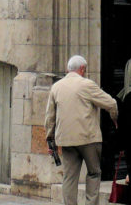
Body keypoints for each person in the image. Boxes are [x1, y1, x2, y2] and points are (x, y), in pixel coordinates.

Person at [44, 54, 118, 205]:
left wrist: (49, 139)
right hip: (88, 138)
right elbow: (111, 104)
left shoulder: (56, 87)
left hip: (66, 139)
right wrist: (115, 120)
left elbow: (49, 118)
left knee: (69, 177)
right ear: (82, 69)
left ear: (68, 69)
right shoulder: (87, 85)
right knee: (94, 173)